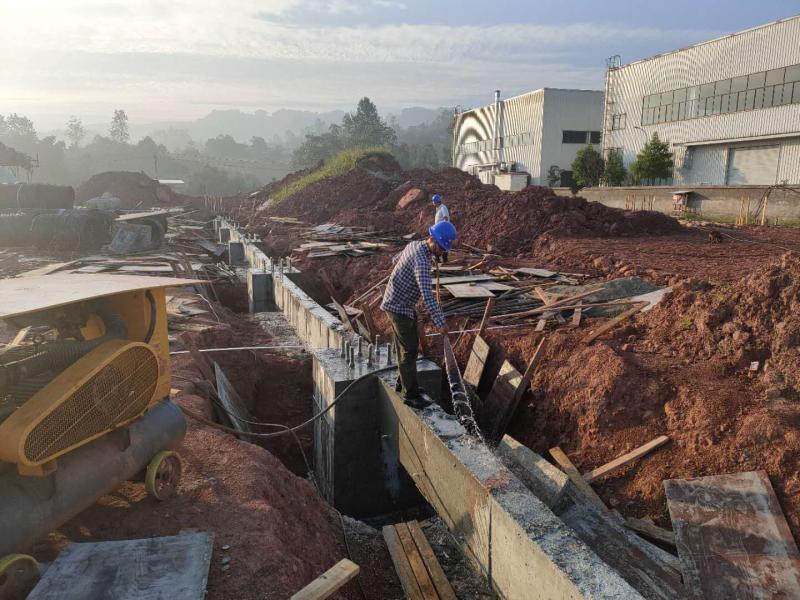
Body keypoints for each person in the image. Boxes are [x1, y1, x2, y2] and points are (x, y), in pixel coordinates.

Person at [381, 221, 457, 407]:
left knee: (405, 344)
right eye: (440, 247)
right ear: (432, 239)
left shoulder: (414, 244)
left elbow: (395, 259)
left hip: (402, 302)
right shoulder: (422, 262)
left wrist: (402, 275)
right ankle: (411, 395)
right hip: (398, 306)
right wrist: (440, 323)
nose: (442, 252)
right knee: (410, 349)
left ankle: (404, 382)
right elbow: (428, 297)